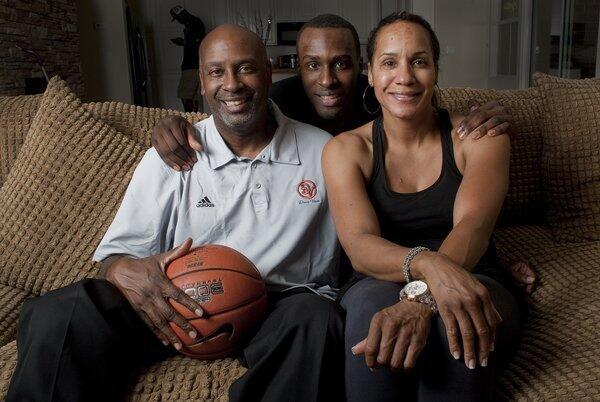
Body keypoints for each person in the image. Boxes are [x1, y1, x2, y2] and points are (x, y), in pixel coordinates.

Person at [7, 25, 344, 402]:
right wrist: (122, 269)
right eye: (217, 72)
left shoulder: (324, 152)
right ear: (201, 82)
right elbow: (114, 259)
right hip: (178, 303)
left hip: (278, 305)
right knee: (62, 311)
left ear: (268, 72)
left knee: (317, 320)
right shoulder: (172, 154)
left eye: (245, 68)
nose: (231, 84)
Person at [150, 14, 537, 294]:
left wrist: (490, 112)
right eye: (311, 65)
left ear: (363, 69)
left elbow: (451, 183)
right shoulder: (279, 106)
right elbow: (228, 111)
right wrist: (174, 124)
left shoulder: (392, 100)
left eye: (341, 64)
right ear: (292, 70)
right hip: (345, 258)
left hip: (398, 255)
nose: (327, 80)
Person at [321, 12, 522, 401]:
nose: (405, 77)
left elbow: (473, 226)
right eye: (389, 62)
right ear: (370, 73)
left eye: (419, 61)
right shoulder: (345, 150)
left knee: (457, 318)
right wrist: (427, 269)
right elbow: (360, 245)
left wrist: (424, 302)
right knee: (369, 313)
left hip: (475, 274)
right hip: (377, 280)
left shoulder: (480, 138)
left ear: (436, 70)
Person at [171, 6, 206, 112]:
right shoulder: (191, 23)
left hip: (191, 66)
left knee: (185, 94)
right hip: (194, 64)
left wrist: (183, 42)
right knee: (194, 95)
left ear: (181, 14)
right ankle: (194, 119)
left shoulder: (195, 23)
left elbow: (199, 42)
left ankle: (189, 117)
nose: (178, 21)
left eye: (177, 18)